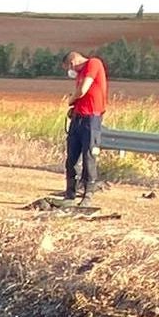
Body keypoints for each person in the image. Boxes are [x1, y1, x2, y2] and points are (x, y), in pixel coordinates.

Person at [63, 51, 108, 205]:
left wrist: (71, 99)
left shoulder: (93, 63)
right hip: (78, 118)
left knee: (89, 156)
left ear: (72, 62)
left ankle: (88, 194)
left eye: (69, 67)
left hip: (91, 119)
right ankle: (70, 193)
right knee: (72, 157)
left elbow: (83, 90)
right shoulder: (80, 74)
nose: (71, 72)